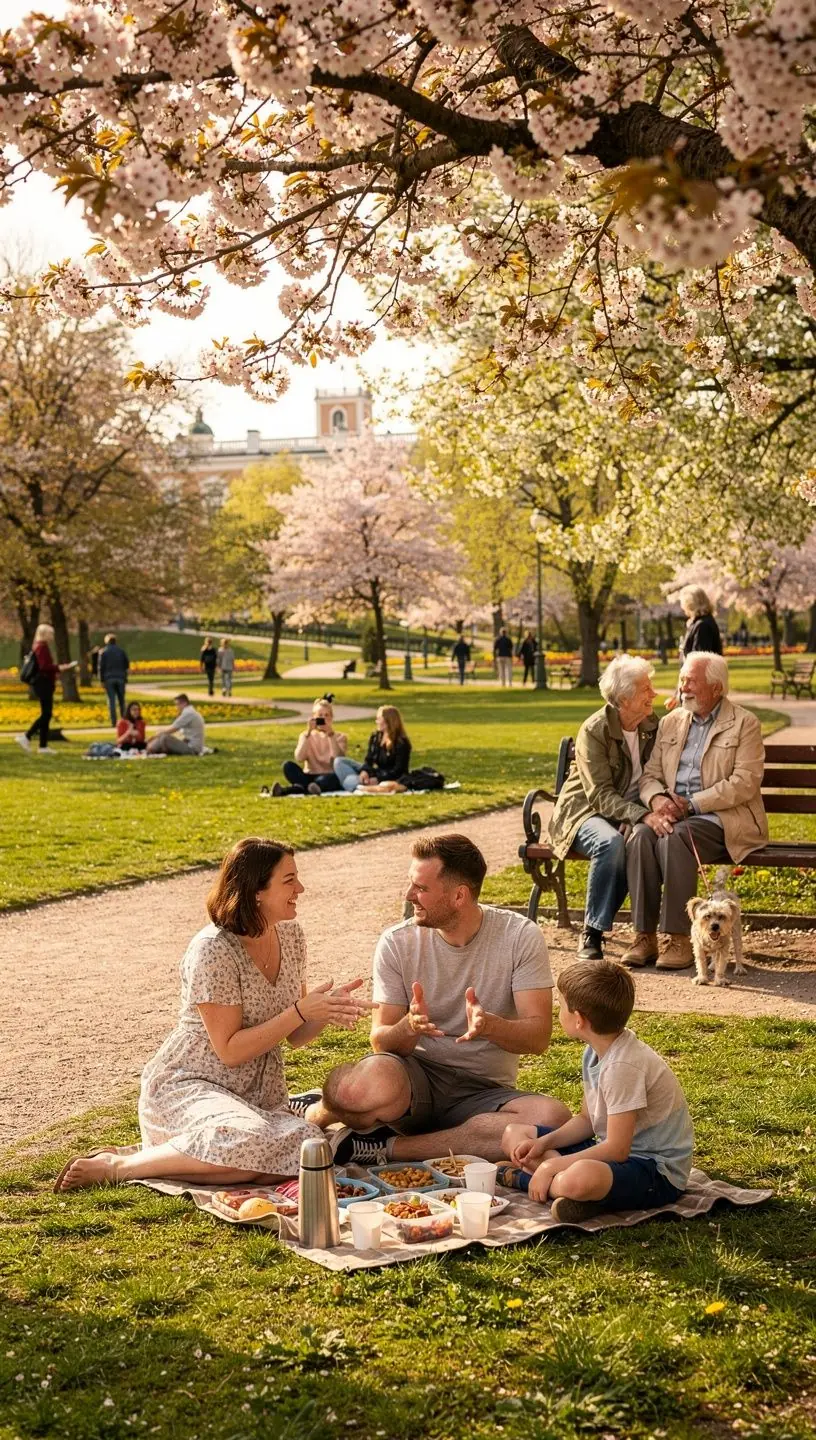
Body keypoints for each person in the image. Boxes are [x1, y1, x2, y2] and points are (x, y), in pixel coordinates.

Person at [53, 838, 371, 1191]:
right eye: (289, 880)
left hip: (257, 1095)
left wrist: (325, 1009)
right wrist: (299, 1010)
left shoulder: (291, 936)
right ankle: (120, 1166)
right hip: (192, 1083)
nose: (301, 888)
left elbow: (295, 1035)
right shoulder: (213, 950)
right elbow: (229, 1051)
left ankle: (178, 1158)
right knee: (249, 1140)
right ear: (256, 891)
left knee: (307, 1144)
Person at [299, 835, 570, 1166]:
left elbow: (538, 1037)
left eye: (421, 888)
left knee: (552, 1118)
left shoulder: (520, 937)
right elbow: (380, 1041)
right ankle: (318, 1110)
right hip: (414, 1080)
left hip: (484, 1092)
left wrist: (491, 1026)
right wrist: (409, 1027)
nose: (408, 895)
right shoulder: (397, 942)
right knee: (354, 1091)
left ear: (459, 896)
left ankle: (385, 1148)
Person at [499, 959, 693, 1223]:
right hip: (612, 1154)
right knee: (514, 1134)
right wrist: (544, 1144)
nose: (558, 1011)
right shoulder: (595, 1051)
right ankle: (570, 1189)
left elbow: (618, 1150)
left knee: (579, 1178)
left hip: (655, 1171)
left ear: (579, 1020)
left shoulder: (623, 1067)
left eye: (561, 1005)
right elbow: (586, 1120)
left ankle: (531, 1179)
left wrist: (550, 1164)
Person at [623, 652, 768, 971]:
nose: (683, 687)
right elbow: (650, 775)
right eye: (681, 680)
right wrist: (657, 801)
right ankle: (644, 935)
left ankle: (680, 939)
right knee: (641, 835)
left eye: (690, 681)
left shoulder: (744, 723)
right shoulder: (672, 721)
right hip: (674, 813)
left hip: (724, 818)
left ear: (716, 688)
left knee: (675, 838)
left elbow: (745, 782)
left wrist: (692, 804)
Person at [548, 655, 659, 961]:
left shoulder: (652, 725)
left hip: (626, 811)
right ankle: (592, 933)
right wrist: (638, 814)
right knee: (610, 843)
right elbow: (598, 794)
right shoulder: (594, 729)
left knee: (636, 842)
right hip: (584, 811)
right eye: (646, 689)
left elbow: (656, 775)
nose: (654, 694)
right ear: (624, 699)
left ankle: (647, 935)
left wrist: (635, 814)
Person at [15, 623, 74, 756]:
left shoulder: (40, 646)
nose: (52, 636)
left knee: (46, 714)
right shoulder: (41, 647)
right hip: (43, 684)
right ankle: (26, 736)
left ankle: (43, 746)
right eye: (50, 633)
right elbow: (44, 667)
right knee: (46, 714)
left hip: (44, 683)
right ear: (44, 634)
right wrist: (59, 668)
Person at [272, 696, 347, 795]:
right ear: (314, 717)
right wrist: (308, 734)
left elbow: (338, 759)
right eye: (320, 715)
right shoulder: (306, 735)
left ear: (331, 718)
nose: (323, 718)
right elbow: (299, 758)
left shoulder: (340, 737)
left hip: (327, 776)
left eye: (327, 715)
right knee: (287, 766)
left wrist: (330, 735)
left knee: (333, 778)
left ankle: (293, 789)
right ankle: (310, 788)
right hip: (308, 775)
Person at [333, 706, 411, 792]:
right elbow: (369, 759)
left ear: (388, 720)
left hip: (389, 777)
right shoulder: (376, 736)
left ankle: (354, 785)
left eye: (379, 719)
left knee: (350, 781)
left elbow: (399, 770)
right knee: (339, 761)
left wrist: (378, 779)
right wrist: (365, 771)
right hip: (375, 772)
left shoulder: (401, 742)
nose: (376, 721)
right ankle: (357, 784)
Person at [99, 632, 130, 727]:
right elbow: (127, 665)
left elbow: (101, 667)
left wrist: (101, 680)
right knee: (122, 701)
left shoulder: (104, 652)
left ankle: (113, 722)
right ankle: (124, 721)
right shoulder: (121, 651)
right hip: (120, 677)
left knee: (111, 701)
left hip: (109, 678)